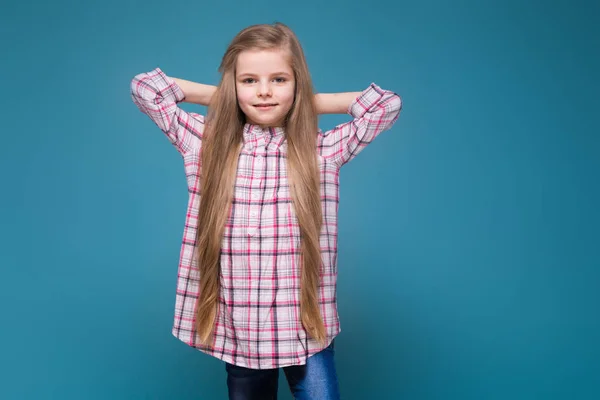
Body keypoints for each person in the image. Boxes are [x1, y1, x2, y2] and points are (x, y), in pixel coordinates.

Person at [130, 22, 402, 400]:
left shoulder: (321, 150)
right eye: (249, 81)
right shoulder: (204, 143)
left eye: (278, 79)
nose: (263, 92)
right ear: (233, 85)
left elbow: (385, 105)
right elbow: (145, 87)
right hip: (240, 329)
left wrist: (306, 100)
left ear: (297, 82)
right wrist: (225, 97)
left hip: (304, 327)